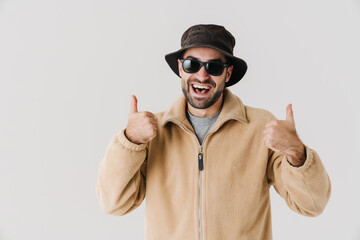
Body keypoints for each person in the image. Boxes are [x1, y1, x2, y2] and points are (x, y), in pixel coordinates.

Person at [96, 24, 331, 240]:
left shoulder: (261, 127)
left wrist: (296, 152)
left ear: (227, 74)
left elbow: (312, 204)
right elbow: (113, 203)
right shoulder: (152, 133)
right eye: (192, 64)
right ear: (180, 67)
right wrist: (129, 141)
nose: (202, 75)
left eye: (214, 67)